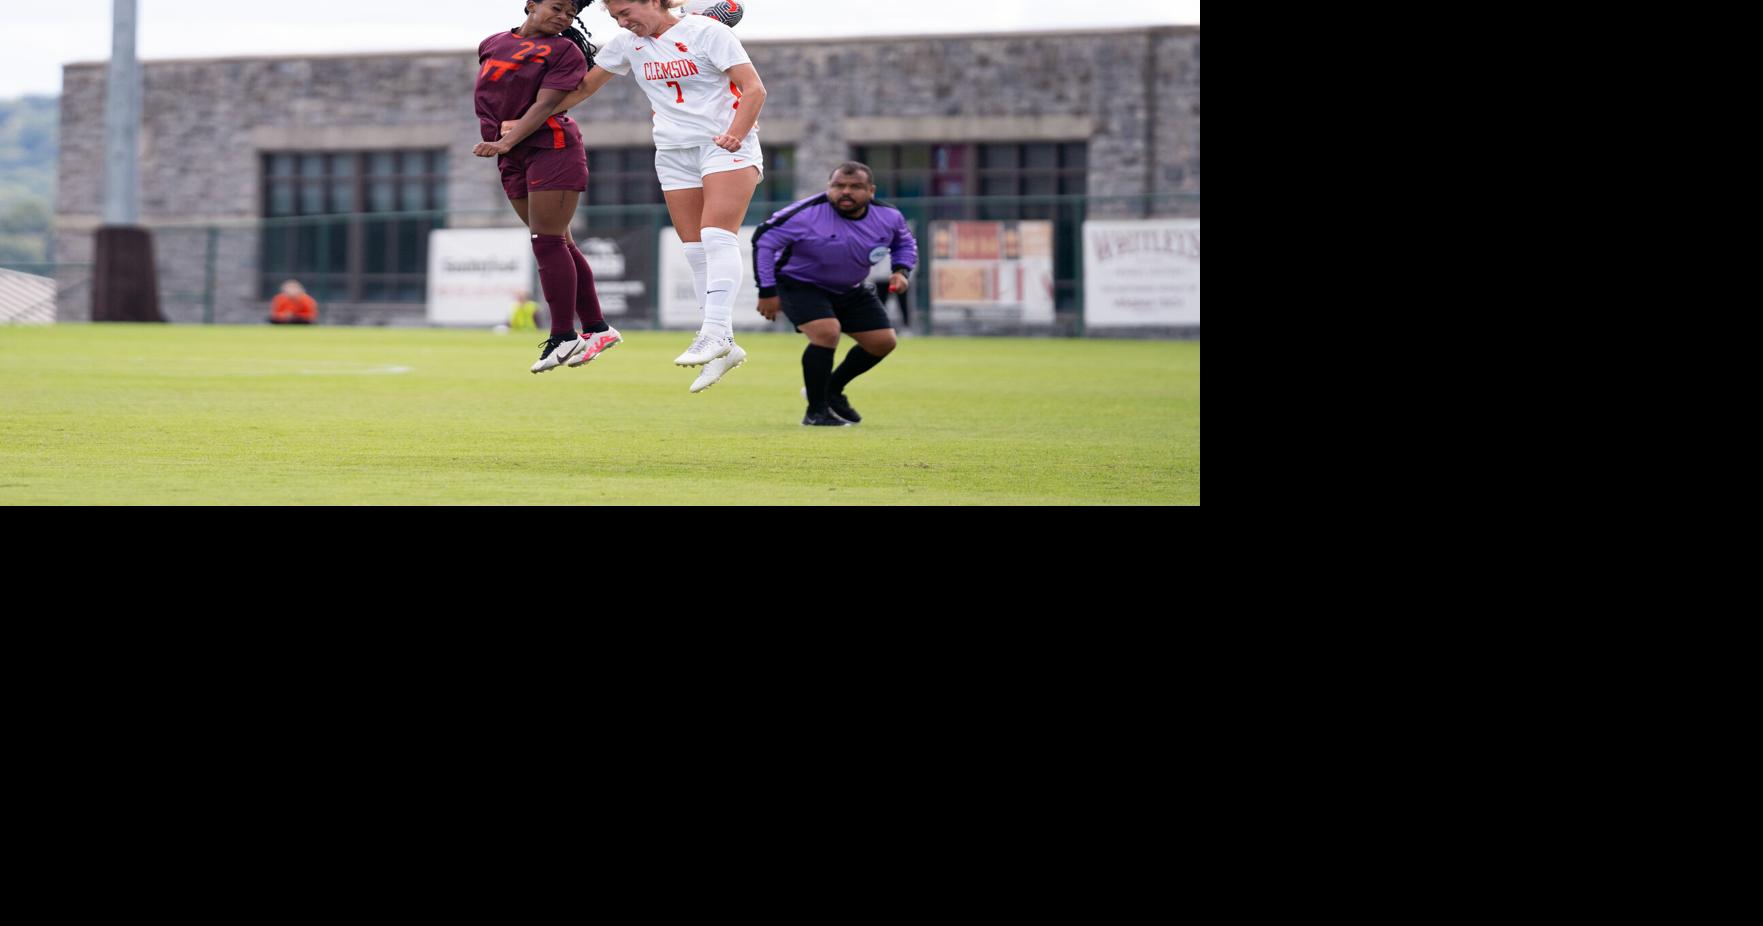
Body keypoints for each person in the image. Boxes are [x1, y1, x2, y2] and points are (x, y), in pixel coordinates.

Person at [520, 0, 767, 393]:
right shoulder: (626, 43)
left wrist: (736, 133)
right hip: (672, 152)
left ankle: (716, 332)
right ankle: (726, 346)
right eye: (615, 16)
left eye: (626, 11)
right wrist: (527, 120)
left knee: (716, 236)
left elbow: (754, 88)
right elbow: (584, 87)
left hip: (725, 145)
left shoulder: (708, 32)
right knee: (694, 250)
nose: (622, 21)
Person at [473, 0, 622, 374]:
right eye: (556, 7)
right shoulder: (491, 43)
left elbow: (545, 106)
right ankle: (597, 329)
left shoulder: (565, 50)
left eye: (570, 14)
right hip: (510, 155)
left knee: (547, 241)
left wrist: (505, 141)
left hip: (552, 147)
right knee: (560, 242)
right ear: (531, 5)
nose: (563, 17)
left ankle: (563, 334)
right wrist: (504, 146)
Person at [754, 162, 915, 426]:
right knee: (827, 332)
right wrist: (767, 290)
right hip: (798, 283)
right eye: (838, 186)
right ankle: (816, 412)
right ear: (829, 187)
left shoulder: (889, 216)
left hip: (849, 287)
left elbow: (903, 242)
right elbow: (763, 239)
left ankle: (831, 389)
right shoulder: (806, 213)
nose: (846, 192)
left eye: (855, 187)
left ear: (871, 191)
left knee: (883, 342)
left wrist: (901, 270)